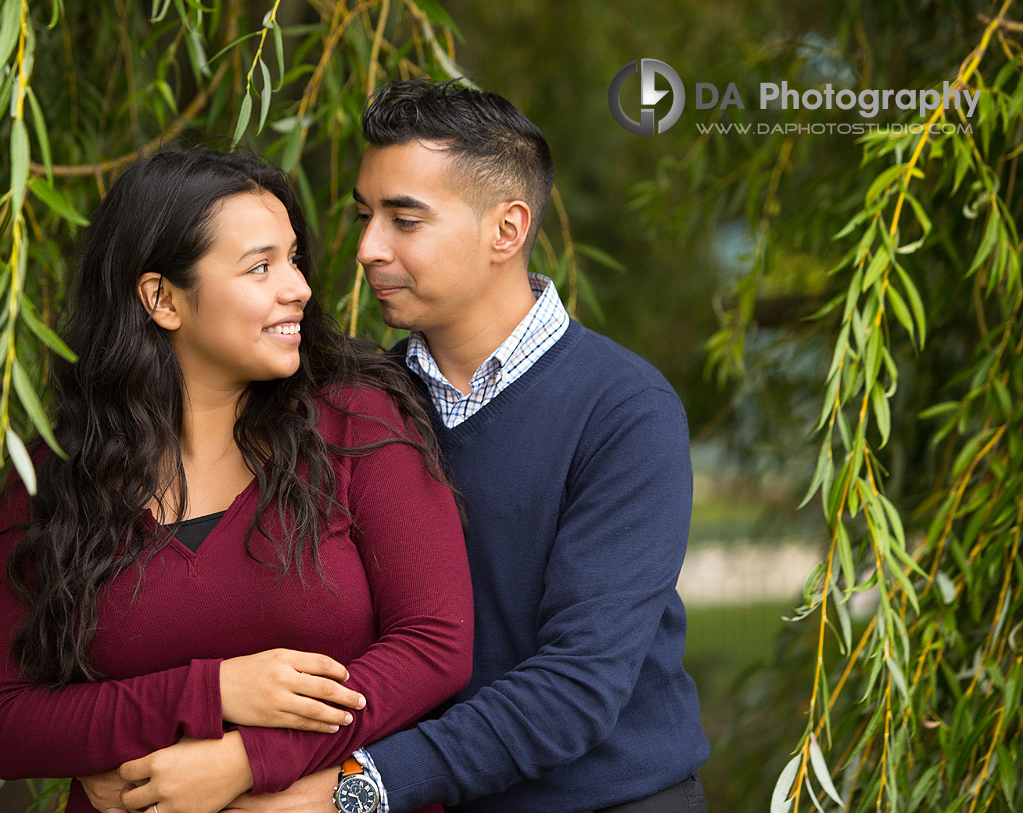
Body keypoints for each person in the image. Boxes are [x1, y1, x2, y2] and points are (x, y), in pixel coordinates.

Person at [242, 79, 709, 813]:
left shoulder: (624, 410)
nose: (367, 248)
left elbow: (578, 684)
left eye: (404, 220)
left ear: (506, 229)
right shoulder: (354, 405)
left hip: (604, 799)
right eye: (364, 216)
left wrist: (355, 789)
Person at [0, 149, 474, 813]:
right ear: (162, 298)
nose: (297, 286)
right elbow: (10, 724)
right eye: (261, 266)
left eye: (293, 259)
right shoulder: (55, 480)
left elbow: (435, 646)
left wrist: (249, 759)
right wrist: (212, 692)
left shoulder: (358, 421)